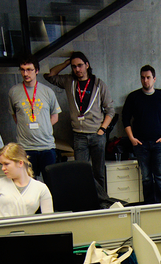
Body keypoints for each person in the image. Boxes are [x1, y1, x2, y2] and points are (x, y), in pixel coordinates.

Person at [46, 51, 114, 193]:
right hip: (79, 136)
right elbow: (50, 75)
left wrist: (102, 129)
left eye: (80, 65)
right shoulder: (69, 81)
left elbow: (110, 110)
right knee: (80, 172)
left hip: (97, 135)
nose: (77, 69)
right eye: (74, 66)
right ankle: (85, 203)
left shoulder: (98, 84)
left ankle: (102, 202)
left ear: (87, 65)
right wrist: (66, 62)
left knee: (99, 172)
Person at [122, 65, 161, 204]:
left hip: (159, 144)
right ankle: (149, 205)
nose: (145, 81)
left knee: (160, 177)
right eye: (143, 78)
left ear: (154, 79)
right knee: (146, 178)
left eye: (148, 78)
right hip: (140, 144)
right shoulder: (133, 97)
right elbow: (125, 118)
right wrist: (131, 138)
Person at [9, 55, 61, 181]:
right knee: (28, 184)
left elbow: (55, 116)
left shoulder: (47, 92)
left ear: (36, 70)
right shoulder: (14, 92)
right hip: (25, 147)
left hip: (46, 146)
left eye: (29, 69)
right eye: (22, 70)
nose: (25, 73)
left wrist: (43, 127)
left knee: (51, 183)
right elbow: (15, 116)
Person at [0, 143, 54, 217]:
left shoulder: (41, 188)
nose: (3, 168)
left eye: (6, 164)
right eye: (2, 165)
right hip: (2, 227)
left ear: (20, 163)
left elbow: (48, 218)